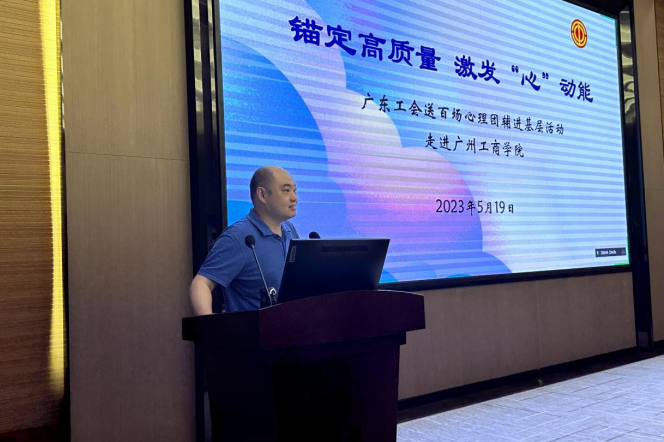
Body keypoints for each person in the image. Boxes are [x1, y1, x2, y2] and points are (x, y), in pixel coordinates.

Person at [189, 166, 299, 315]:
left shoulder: (289, 229)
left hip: (290, 325)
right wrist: (207, 323)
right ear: (262, 194)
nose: (294, 198)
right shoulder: (238, 236)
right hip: (251, 328)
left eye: (294, 191)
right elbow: (201, 283)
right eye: (286, 191)